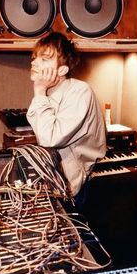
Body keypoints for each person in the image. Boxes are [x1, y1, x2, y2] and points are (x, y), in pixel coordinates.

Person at [26, 31, 106, 207]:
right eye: (34, 57)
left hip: (74, 185)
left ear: (62, 70)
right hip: (55, 178)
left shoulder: (80, 91)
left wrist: (39, 91)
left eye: (44, 58)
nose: (34, 62)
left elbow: (49, 138)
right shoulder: (49, 91)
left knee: (74, 233)